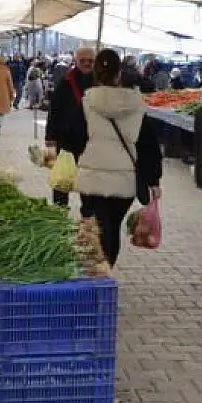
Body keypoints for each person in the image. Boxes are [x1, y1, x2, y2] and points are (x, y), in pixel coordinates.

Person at [75, 49, 163, 265]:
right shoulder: (137, 105)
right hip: (123, 180)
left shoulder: (87, 102)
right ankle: (106, 271)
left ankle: (91, 270)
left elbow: (74, 137)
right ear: (119, 74)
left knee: (92, 225)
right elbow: (148, 146)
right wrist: (154, 180)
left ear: (95, 73)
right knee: (111, 226)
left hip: (91, 176)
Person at [45, 47, 96, 206]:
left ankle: (88, 217)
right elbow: (54, 112)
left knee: (89, 184)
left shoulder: (101, 82)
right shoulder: (66, 81)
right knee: (61, 180)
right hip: (66, 141)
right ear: (76, 61)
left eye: (91, 61)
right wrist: (50, 140)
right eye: (83, 61)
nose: (87, 64)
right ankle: (59, 214)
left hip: (91, 142)